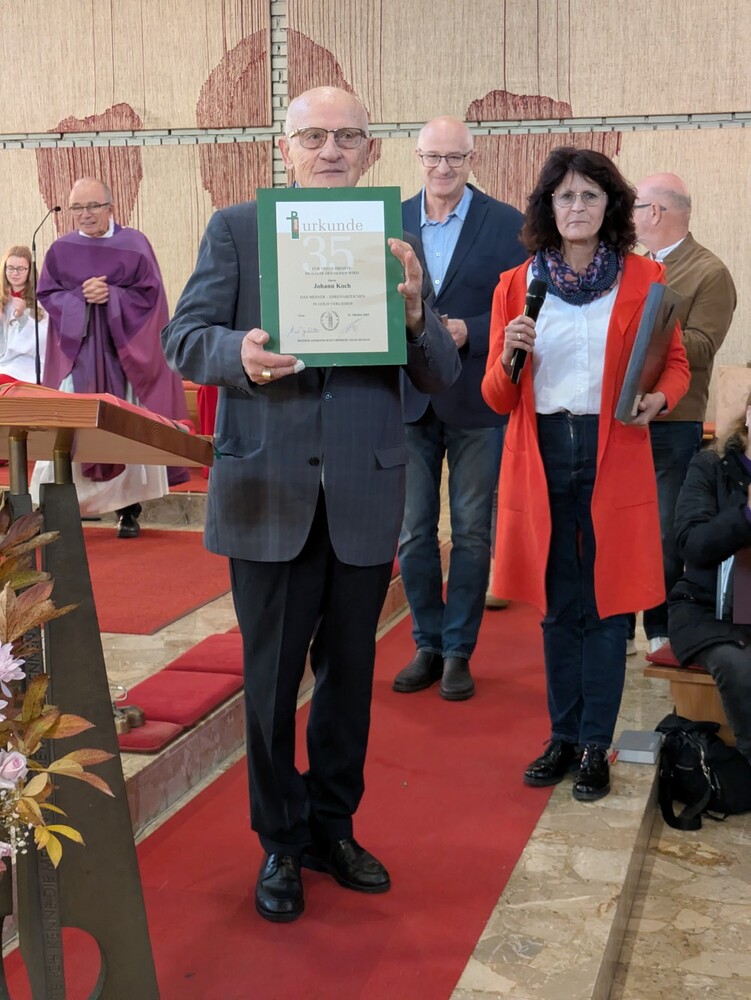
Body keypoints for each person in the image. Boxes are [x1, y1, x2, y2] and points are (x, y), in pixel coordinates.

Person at [161, 86, 460, 923]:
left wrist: (414, 313)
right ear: (285, 148)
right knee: (269, 682)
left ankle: (333, 827)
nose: (331, 150)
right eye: (315, 137)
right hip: (269, 492)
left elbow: (440, 373)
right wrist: (239, 353)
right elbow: (183, 338)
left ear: (370, 151)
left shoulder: (397, 241)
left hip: (363, 490)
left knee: (349, 678)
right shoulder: (236, 229)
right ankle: (279, 842)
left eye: (347, 137)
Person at [481, 147, 689, 801]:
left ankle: (596, 744)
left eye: (589, 196)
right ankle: (562, 737)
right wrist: (508, 357)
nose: (576, 207)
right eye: (565, 196)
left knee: (605, 609)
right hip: (540, 455)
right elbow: (495, 397)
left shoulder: (644, 278)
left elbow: (676, 364)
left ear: (610, 206)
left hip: (612, 455)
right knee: (556, 607)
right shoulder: (516, 284)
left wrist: (661, 399)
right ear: (548, 206)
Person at [393, 116, 526, 701]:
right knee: (413, 533)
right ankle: (426, 642)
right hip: (408, 399)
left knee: (472, 532)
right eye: (433, 157)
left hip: (477, 398)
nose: (442, 168)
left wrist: (471, 329)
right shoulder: (393, 221)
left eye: (455, 157)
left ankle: (458, 651)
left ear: (473, 159)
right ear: (418, 158)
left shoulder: (508, 224)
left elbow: (527, 304)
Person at [35, 178, 188, 537]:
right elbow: (47, 294)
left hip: (123, 354)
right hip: (77, 354)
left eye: (93, 206)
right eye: (77, 208)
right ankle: (69, 507)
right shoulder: (60, 249)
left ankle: (128, 511)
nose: (85, 214)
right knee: (72, 428)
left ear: (111, 207)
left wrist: (113, 296)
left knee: (123, 425)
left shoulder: (134, 244)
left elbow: (151, 296)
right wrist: (79, 297)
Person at [631, 173, 736, 653]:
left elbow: (702, 346)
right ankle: (618, 625)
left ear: (655, 212)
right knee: (620, 527)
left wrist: (645, 332)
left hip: (673, 420)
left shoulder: (709, 272)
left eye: (635, 208)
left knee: (665, 531)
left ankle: (663, 629)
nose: (630, 218)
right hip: (623, 415)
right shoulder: (633, 266)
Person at [668, 392, 751, 764]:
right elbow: (692, 546)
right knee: (739, 664)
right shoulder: (711, 465)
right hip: (706, 610)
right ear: (748, 415)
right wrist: (745, 515)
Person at [0, 245, 48, 382]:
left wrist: (22, 317)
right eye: (10, 268)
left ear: (30, 271)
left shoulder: (41, 300)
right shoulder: (2, 299)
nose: (14, 273)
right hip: (4, 363)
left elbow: (44, 339)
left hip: (28, 365)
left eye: (20, 269)